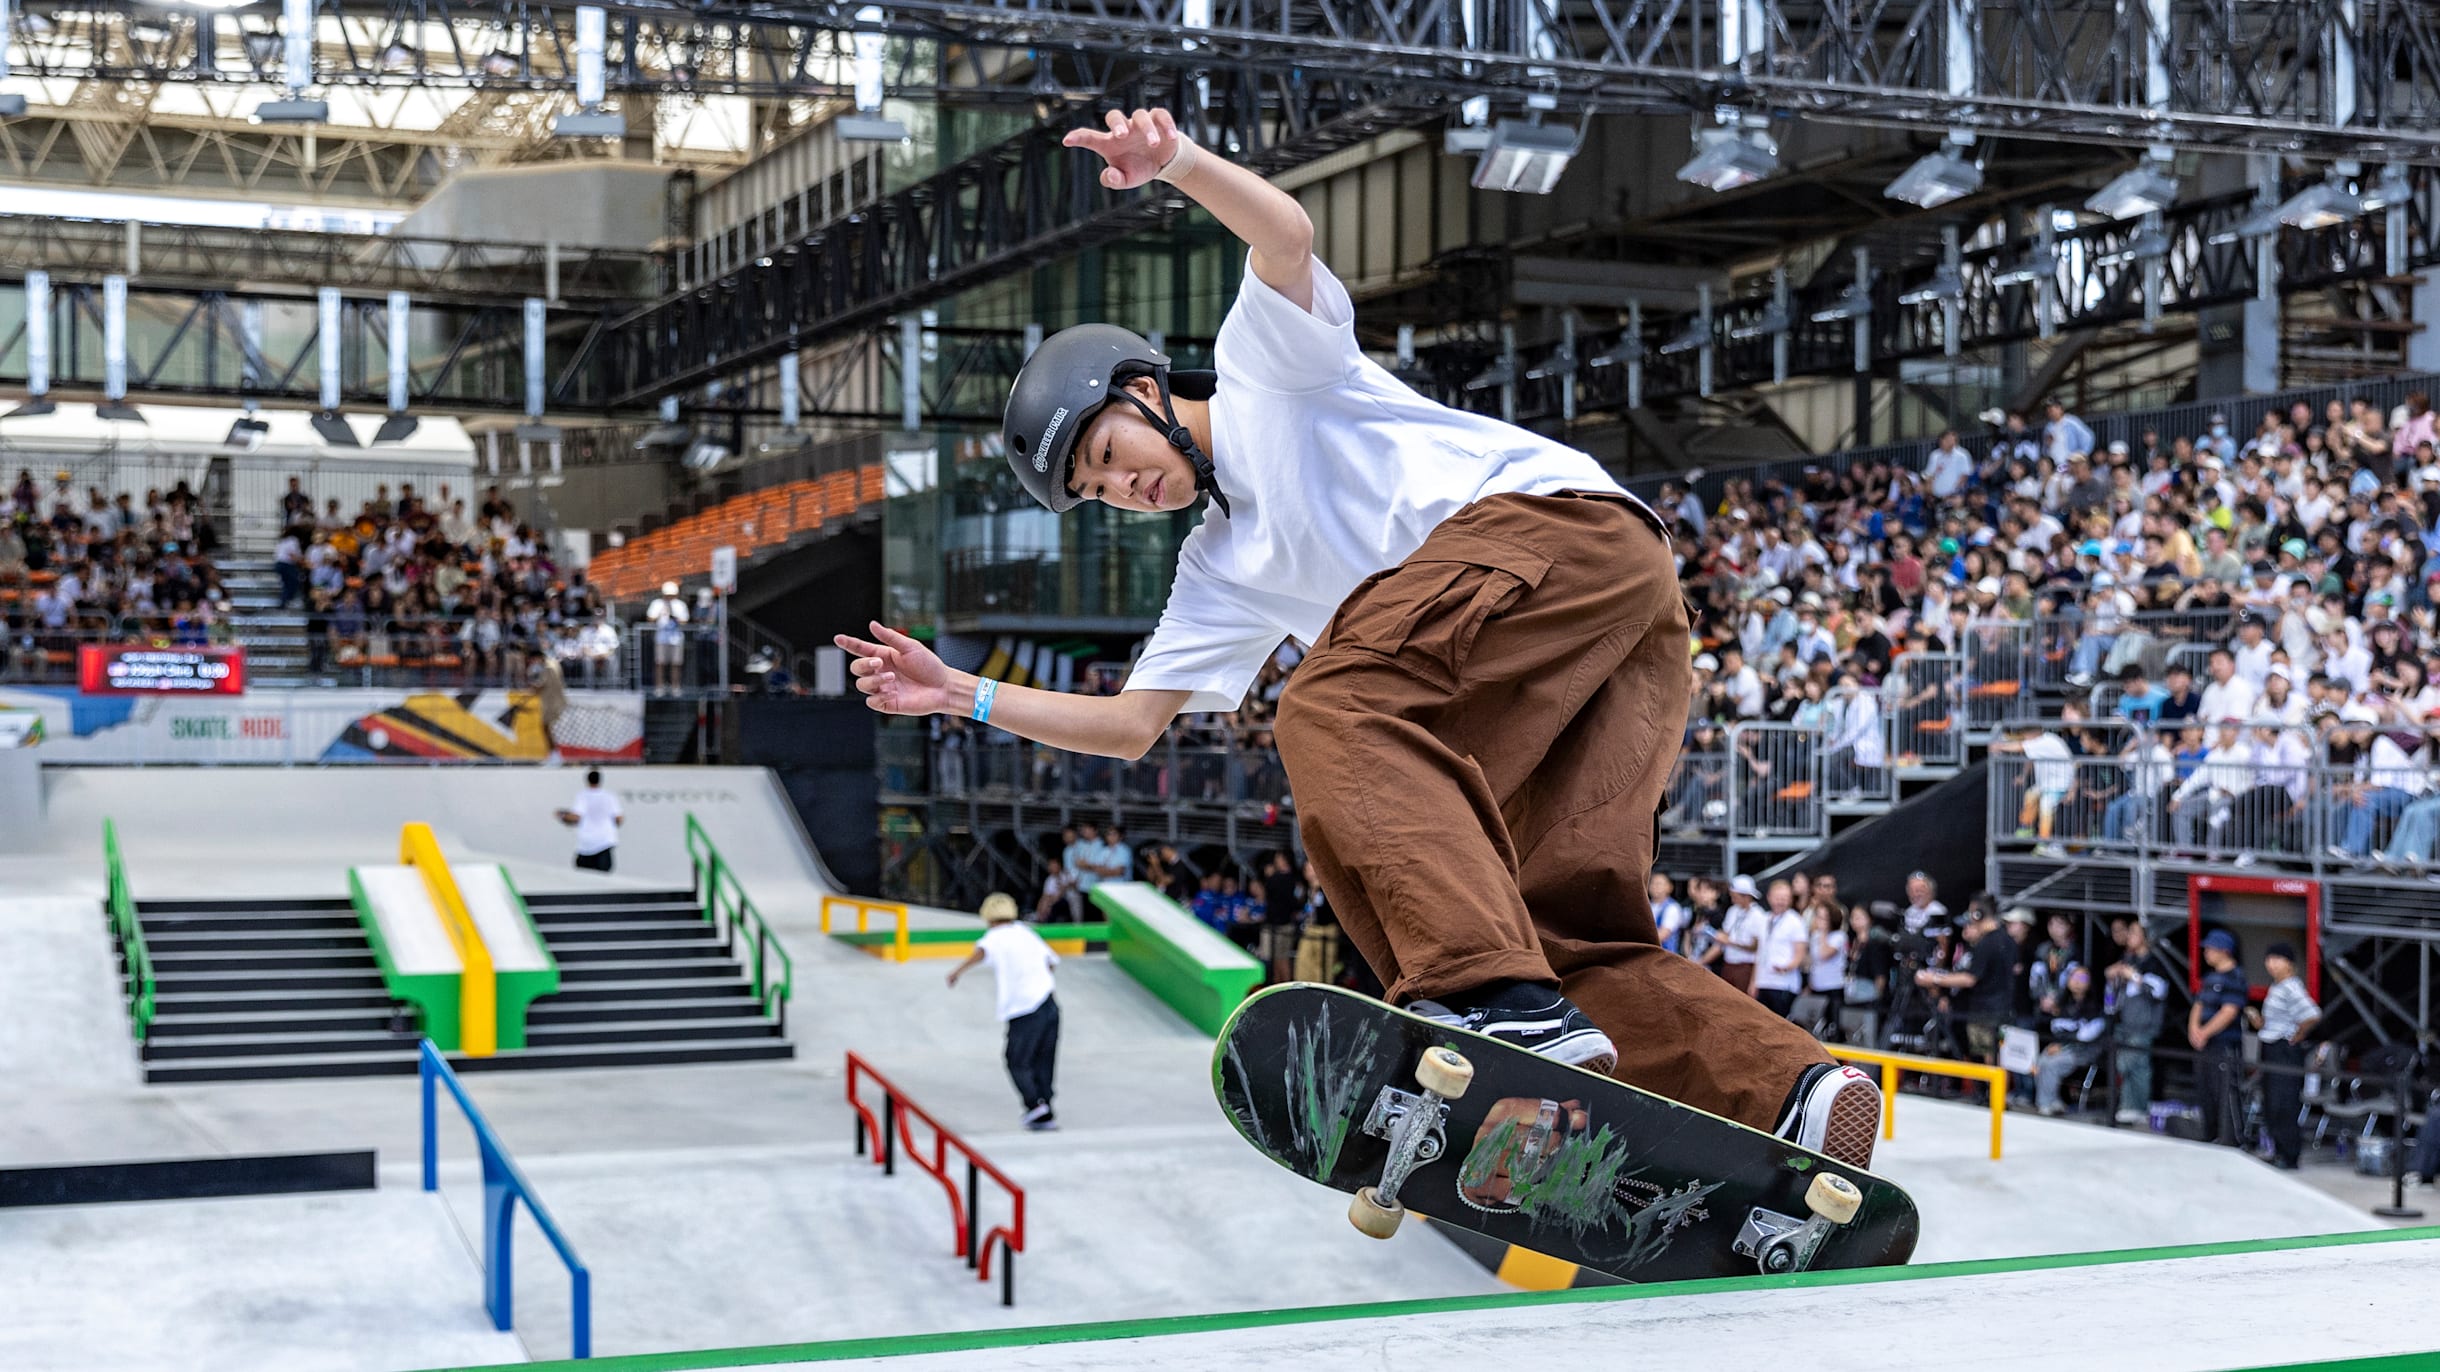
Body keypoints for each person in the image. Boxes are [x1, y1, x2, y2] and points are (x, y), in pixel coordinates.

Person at [836, 104, 1878, 1165]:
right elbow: (1128, 725)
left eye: (1107, 452)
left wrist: (1179, 164)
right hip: (1612, 644)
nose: (1123, 486)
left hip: (1552, 535)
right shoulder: (1214, 569)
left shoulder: (1263, 371)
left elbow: (1283, 236)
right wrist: (957, 693)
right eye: (1098, 492)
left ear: (1143, 391)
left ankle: (1491, 1008)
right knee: (1563, 924)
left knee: (1335, 702)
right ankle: (1789, 1091)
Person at [948, 893, 1062, 1130]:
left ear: (989, 918)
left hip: (1024, 1007)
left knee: (1016, 1060)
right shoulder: (1026, 932)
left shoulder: (995, 937)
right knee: (1043, 1059)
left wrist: (957, 971)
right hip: (1049, 1003)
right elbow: (1051, 962)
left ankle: (1034, 1105)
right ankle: (1045, 1110)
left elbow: (981, 952)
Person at [1914, 904, 2017, 1064]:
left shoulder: (1989, 944)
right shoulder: (1966, 948)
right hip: (1970, 1010)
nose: (1966, 929)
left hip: (1990, 1009)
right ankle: (1981, 1088)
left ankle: (1993, 1089)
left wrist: (1934, 979)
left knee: (1992, 1057)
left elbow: (1970, 978)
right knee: (1978, 1055)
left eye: (1970, 925)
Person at [2252, 942, 2320, 1169]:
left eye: (2277, 959)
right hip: (2270, 1045)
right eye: (2269, 959)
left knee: (2284, 1103)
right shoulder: (2276, 986)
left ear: (2289, 963)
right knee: (2271, 1101)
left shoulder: (2291, 987)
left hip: (2284, 1049)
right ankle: (2278, 1149)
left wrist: (2298, 1034)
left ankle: (2289, 1154)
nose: (2272, 964)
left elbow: (2312, 1014)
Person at [2106, 919, 2172, 1126]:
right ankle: (2128, 1106)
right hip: (2124, 1021)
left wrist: (2134, 976)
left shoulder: (2154, 962)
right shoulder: (2127, 959)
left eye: (2133, 932)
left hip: (2144, 1024)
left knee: (2135, 1064)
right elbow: (2115, 992)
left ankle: (2138, 1107)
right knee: (2126, 1066)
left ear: (2146, 937)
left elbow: (2159, 991)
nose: (2128, 937)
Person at [2190, 928, 2251, 1146]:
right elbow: (2198, 1004)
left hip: (2225, 1044)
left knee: (2226, 1091)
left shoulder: (2235, 977)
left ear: (2224, 951)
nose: (2206, 953)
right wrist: (2194, 1030)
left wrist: (2205, 1032)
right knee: (2205, 1090)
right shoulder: (2210, 977)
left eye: (2210, 948)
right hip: (2205, 1046)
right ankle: (2209, 1133)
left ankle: (2232, 1137)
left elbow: (2229, 1011)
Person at [2032, 965, 2109, 1117]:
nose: (2078, 982)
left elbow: (2085, 1036)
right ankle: (2053, 1100)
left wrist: (2062, 1045)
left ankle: (2044, 1104)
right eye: (2074, 977)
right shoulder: (2062, 1004)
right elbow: (2056, 1028)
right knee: (2039, 1061)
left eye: (2083, 978)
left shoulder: (2096, 1007)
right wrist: (2058, 1045)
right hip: (2062, 1048)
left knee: (2051, 1063)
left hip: (2085, 1051)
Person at [1751, 880, 1809, 1018]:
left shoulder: (1796, 921)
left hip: (1783, 983)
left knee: (1779, 1023)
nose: (1780, 902)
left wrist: (1787, 967)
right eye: (1777, 898)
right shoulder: (1764, 919)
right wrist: (1753, 982)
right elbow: (1759, 953)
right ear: (1769, 897)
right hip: (1763, 980)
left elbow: (1800, 953)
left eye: (1784, 898)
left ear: (1789, 900)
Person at [554, 769, 622, 872]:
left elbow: (576, 817)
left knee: (585, 877)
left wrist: (563, 816)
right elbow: (618, 818)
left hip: (587, 844)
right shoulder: (609, 796)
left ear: (587, 780)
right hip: (605, 840)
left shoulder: (583, 796)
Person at [647, 580, 690, 696]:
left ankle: (675, 687)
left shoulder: (680, 605)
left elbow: (685, 621)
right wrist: (661, 613)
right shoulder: (657, 604)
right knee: (659, 663)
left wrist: (674, 617)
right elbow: (650, 618)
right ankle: (659, 687)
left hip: (676, 639)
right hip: (661, 638)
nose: (669, 597)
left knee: (676, 664)